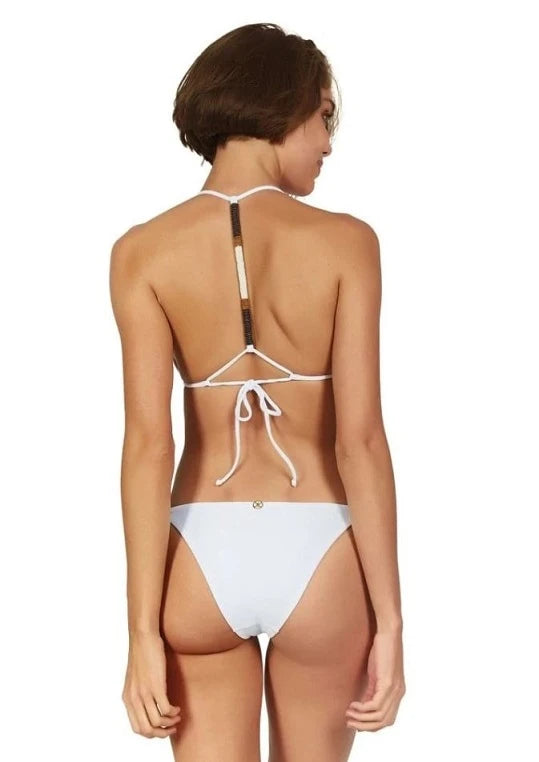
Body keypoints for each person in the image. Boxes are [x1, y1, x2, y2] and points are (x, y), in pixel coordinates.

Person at [110, 21, 405, 761]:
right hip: (323, 554)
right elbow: (361, 442)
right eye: (324, 116)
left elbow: (148, 447)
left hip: (197, 557)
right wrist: (392, 622)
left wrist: (141, 633)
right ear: (282, 105)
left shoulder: (140, 252)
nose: (328, 143)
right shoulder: (348, 243)